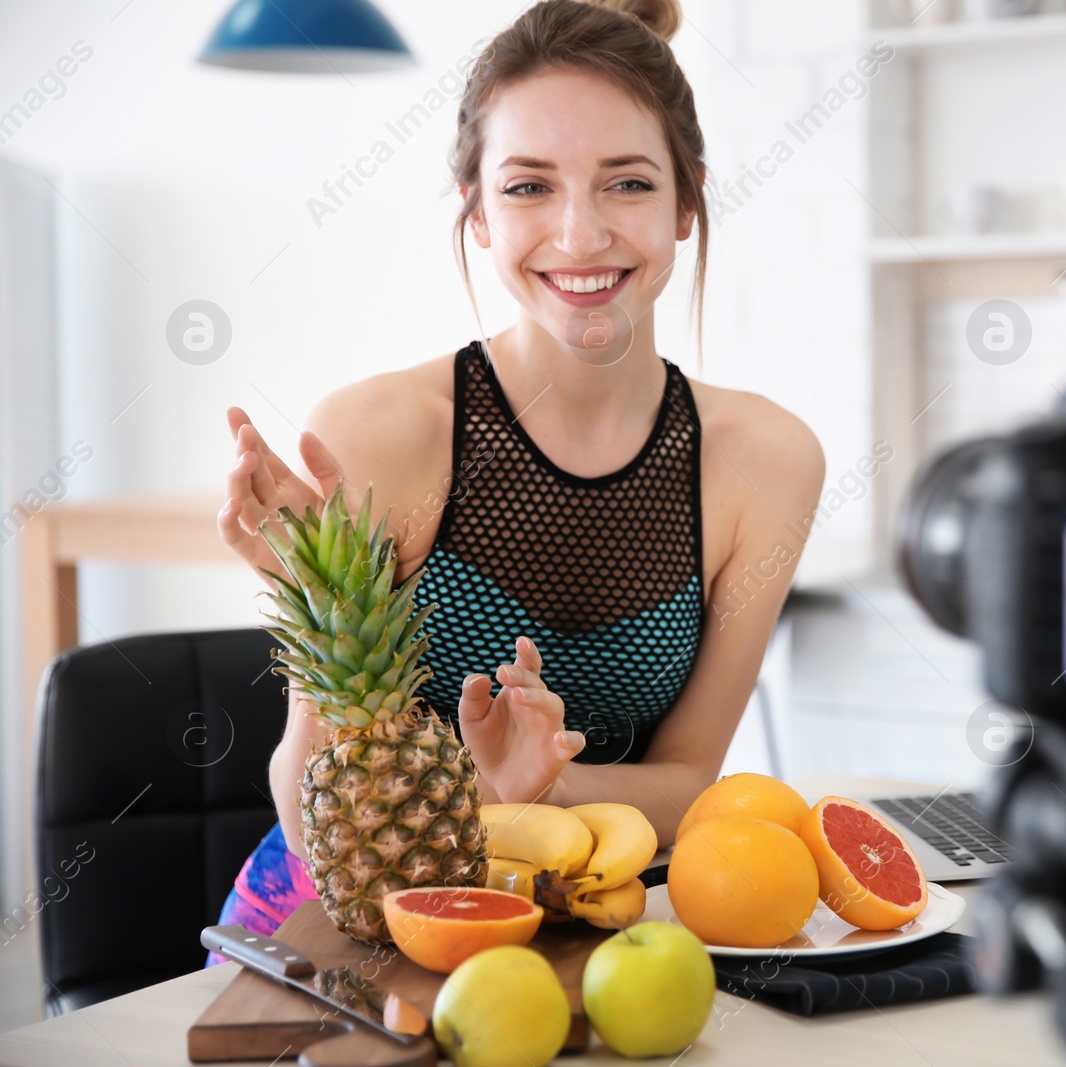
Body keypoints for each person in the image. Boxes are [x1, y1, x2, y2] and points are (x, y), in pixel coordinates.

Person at [208, 0, 823, 951]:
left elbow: (690, 780)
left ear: (687, 202)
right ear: (478, 210)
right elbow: (309, 806)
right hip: (341, 924)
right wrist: (316, 594)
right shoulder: (382, 434)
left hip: (584, 914)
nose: (579, 237)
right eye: (530, 187)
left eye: (627, 183)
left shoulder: (766, 463)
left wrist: (541, 784)